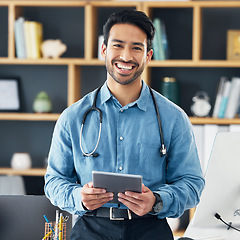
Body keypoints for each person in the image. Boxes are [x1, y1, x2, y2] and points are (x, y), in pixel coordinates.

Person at [45, 9, 205, 240]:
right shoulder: (73, 117)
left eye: (136, 48)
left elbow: (192, 184)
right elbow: (54, 181)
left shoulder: (173, 118)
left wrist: (157, 201)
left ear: (148, 56)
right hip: (89, 229)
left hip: (150, 229)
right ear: (104, 50)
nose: (126, 56)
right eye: (118, 45)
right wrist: (78, 196)